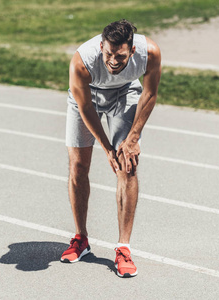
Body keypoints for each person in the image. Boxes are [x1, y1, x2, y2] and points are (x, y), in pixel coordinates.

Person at [60, 19, 161, 278]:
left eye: (121, 56)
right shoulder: (82, 62)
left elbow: (149, 94)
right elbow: (85, 108)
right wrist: (106, 147)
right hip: (87, 97)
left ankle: (123, 248)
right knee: (79, 165)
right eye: (108, 54)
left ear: (133, 51)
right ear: (101, 45)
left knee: (128, 165)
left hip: (125, 94)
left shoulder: (150, 53)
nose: (114, 61)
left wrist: (133, 138)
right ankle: (81, 238)